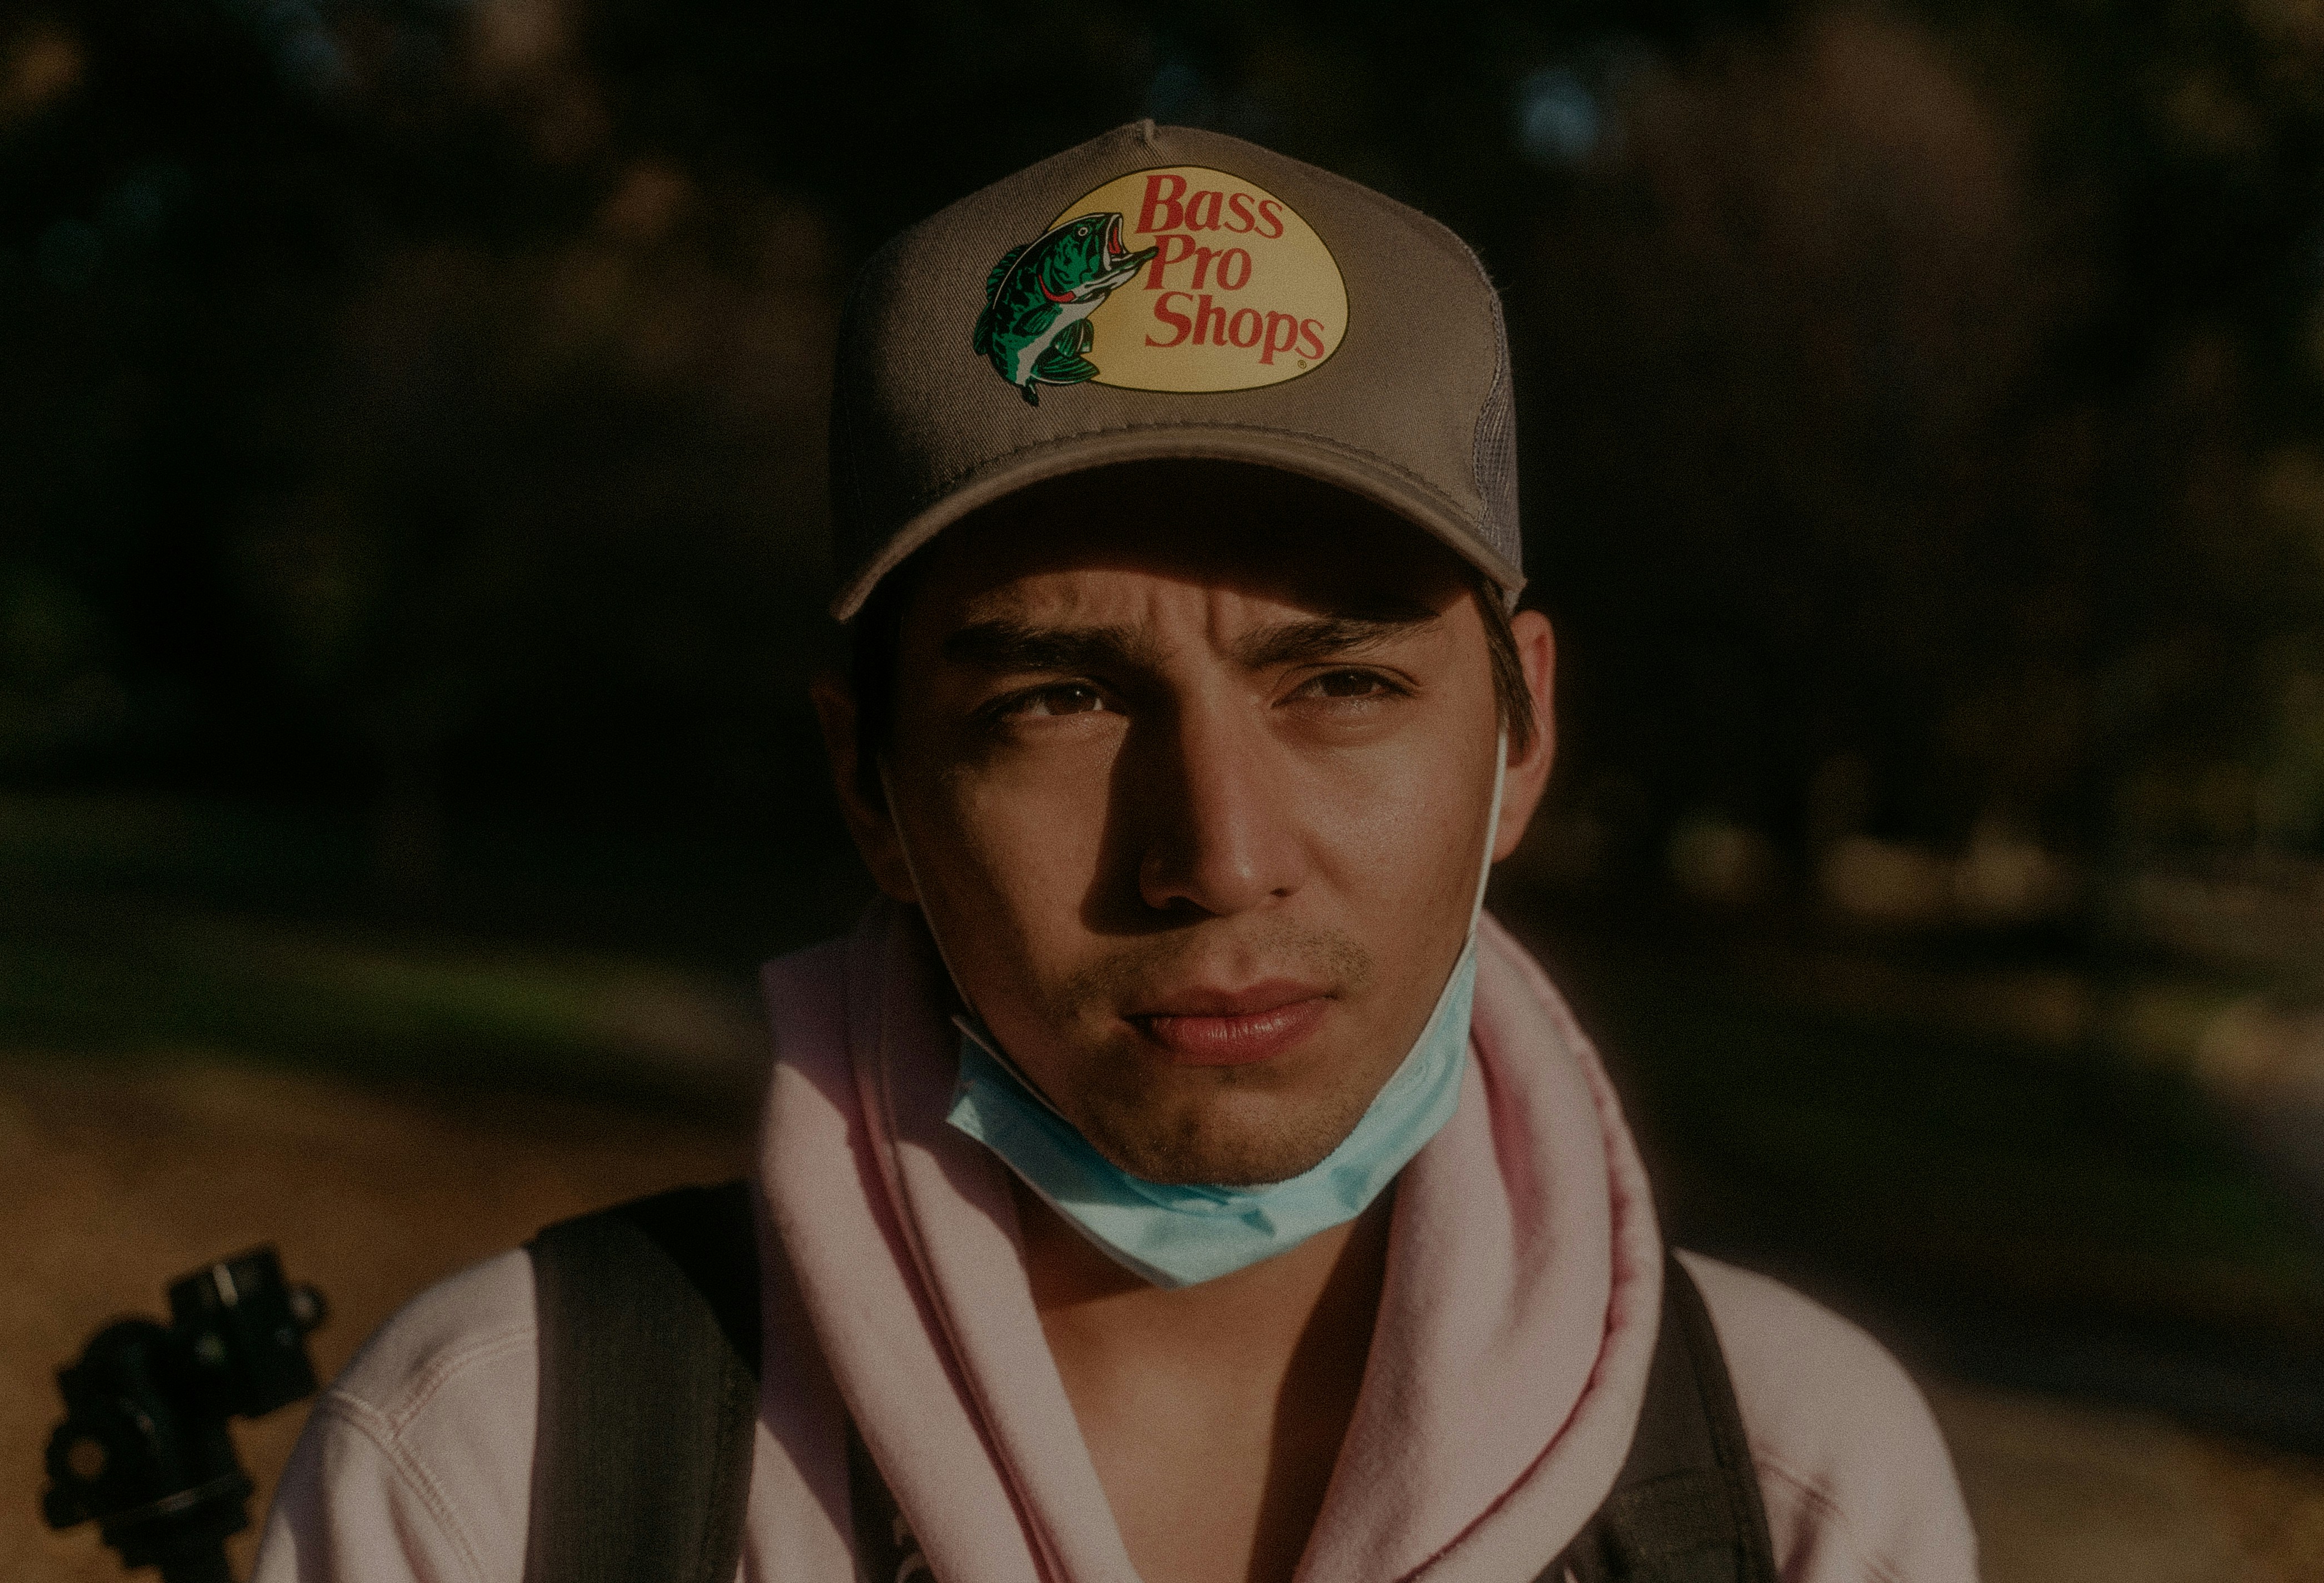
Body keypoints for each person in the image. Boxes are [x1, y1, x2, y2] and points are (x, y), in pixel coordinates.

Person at [250, 121, 1977, 1583]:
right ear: (874, 785)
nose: (1216, 857)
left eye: (1346, 681)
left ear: (1520, 735)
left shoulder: (1790, 1485)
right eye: (1060, 697)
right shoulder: (509, 1464)